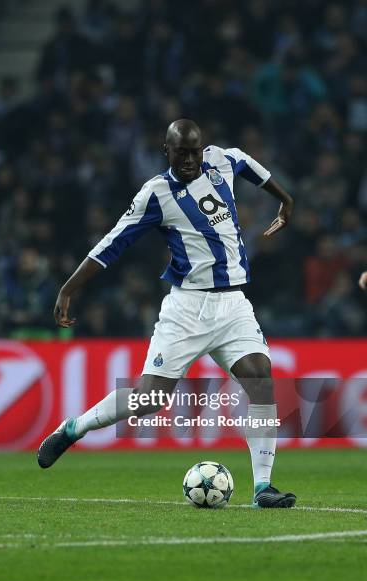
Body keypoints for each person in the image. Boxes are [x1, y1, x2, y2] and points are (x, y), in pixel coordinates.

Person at [37, 119, 296, 509]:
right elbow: (113, 242)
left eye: (195, 151)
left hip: (233, 305)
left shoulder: (220, 161)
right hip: (187, 308)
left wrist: (285, 199)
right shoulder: (155, 194)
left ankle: (263, 488)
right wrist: (69, 287)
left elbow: (246, 163)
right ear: (167, 151)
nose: (190, 160)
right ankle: (74, 428)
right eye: (181, 153)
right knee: (151, 398)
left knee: (261, 379)